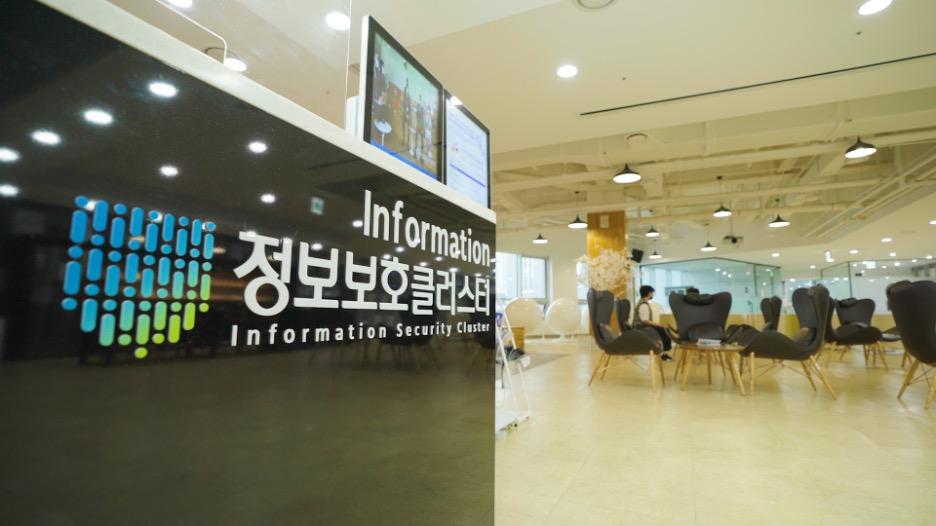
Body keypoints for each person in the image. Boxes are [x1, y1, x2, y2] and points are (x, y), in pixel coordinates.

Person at [633, 285, 672, 360]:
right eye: (652, 293)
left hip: (641, 326)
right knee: (664, 330)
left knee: (663, 329)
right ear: (649, 293)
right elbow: (645, 321)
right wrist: (660, 325)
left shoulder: (643, 303)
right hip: (641, 328)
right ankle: (664, 353)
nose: (652, 295)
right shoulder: (643, 305)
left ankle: (663, 352)